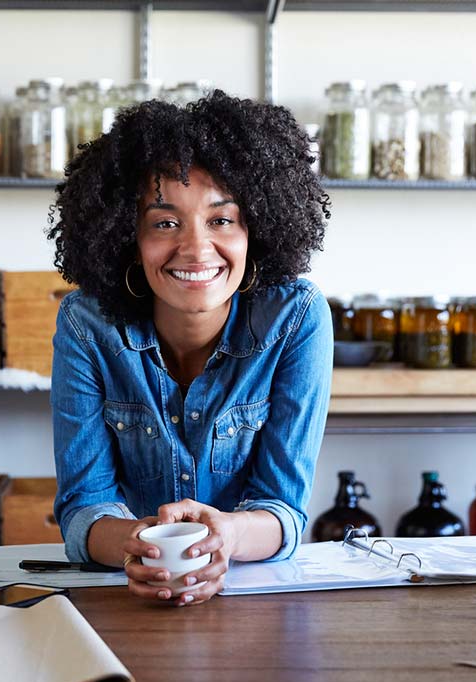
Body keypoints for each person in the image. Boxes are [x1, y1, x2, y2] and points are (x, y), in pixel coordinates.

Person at [48, 91, 333, 606]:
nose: (197, 249)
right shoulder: (87, 326)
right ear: (126, 237)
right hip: (129, 602)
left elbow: (283, 508)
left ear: (257, 229)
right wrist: (134, 547)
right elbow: (83, 507)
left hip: (256, 605)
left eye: (221, 219)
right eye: (164, 222)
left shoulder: (296, 319)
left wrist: (228, 536)